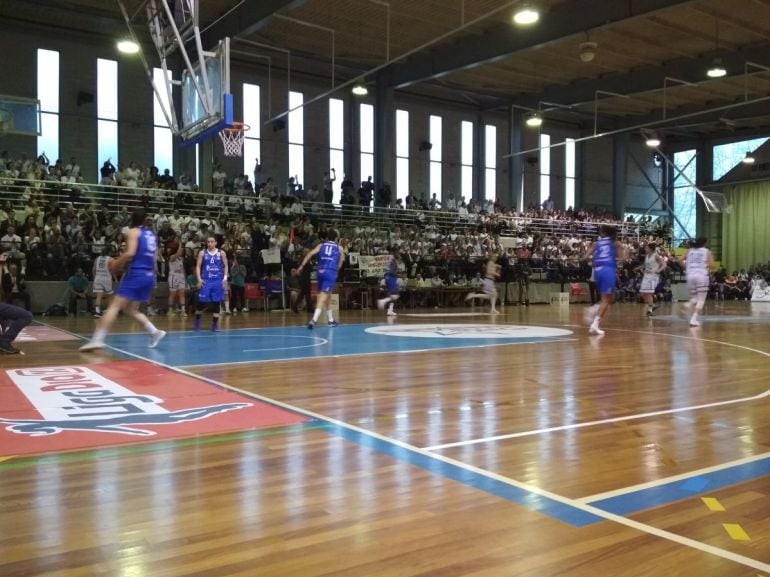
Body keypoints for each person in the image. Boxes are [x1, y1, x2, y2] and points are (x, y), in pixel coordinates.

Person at [80, 208, 166, 351]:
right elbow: (149, 256)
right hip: (149, 275)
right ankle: (155, 332)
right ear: (145, 220)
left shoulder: (133, 232)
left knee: (114, 306)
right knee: (130, 308)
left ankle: (97, 339)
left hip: (137, 274)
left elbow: (130, 253)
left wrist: (115, 264)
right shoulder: (151, 235)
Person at [583, 225, 627, 336]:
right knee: (606, 299)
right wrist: (627, 253)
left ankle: (593, 310)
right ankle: (595, 325)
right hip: (608, 270)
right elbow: (623, 260)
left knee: (610, 298)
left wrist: (597, 259)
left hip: (597, 271)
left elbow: (585, 258)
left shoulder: (596, 243)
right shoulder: (616, 243)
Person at [297, 229, 344, 329]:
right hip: (330, 272)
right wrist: (336, 270)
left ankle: (331, 320)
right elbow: (341, 261)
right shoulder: (339, 248)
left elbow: (309, 254)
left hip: (320, 272)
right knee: (323, 296)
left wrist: (301, 266)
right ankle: (314, 319)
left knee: (328, 295)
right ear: (336, 238)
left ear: (327, 237)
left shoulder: (321, 245)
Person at [194, 236, 229, 331]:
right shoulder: (202, 253)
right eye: (208, 242)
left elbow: (226, 266)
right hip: (206, 280)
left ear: (215, 243)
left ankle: (214, 325)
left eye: (211, 241)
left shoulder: (221, 253)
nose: (209, 243)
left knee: (216, 303)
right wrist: (199, 279)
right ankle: (197, 321)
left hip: (218, 280)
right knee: (202, 302)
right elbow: (197, 266)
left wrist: (225, 279)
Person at [680, 237, 714, 327]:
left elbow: (679, 260)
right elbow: (712, 265)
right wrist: (706, 264)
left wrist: (686, 266)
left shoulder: (689, 251)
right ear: (705, 243)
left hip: (690, 275)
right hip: (701, 276)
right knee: (701, 299)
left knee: (694, 297)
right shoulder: (707, 251)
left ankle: (687, 305)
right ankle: (693, 319)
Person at [638, 242, 666, 316]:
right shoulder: (647, 256)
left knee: (649, 293)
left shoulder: (656, 256)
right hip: (646, 276)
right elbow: (644, 265)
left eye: (646, 247)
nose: (645, 248)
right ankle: (652, 305)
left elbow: (664, 264)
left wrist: (659, 270)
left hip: (653, 276)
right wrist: (638, 268)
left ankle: (650, 310)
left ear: (650, 248)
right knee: (642, 294)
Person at [377, 247, 404, 317]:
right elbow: (398, 262)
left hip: (389, 277)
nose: (399, 254)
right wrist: (399, 258)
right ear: (394, 253)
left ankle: (390, 310)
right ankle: (383, 301)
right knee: (396, 295)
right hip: (390, 277)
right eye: (398, 253)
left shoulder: (391, 259)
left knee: (392, 295)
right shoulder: (393, 259)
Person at [92, 248, 115, 318]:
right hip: (106, 278)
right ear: (109, 253)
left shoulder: (97, 258)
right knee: (110, 295)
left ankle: (97, 312)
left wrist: (95, 278)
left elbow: (93, 269)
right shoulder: (111, 259)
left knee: (99, 296)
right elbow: (114, 269)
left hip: (98, 277)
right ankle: (109, 311)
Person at [166, 240, 187, 316]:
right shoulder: (171, 257)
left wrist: (184, 278)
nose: (168, 249)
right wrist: (180, 244)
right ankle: (170, 310)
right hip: (173, 276)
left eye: (170, 248)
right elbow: (178, 253)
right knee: (173, 294)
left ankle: (183, 311)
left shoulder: (181, 258)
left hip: (181, 276)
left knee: (182, 293)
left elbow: (183, 269)